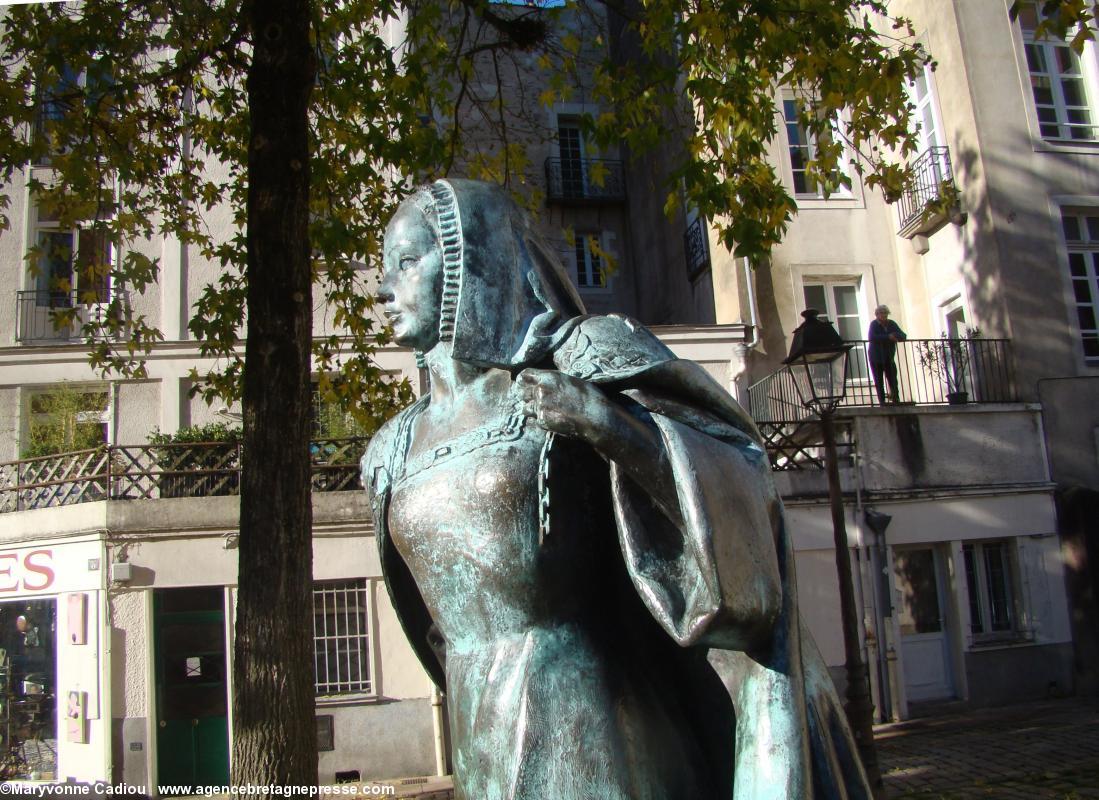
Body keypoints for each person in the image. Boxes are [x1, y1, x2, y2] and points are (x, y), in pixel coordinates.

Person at [362, 179, 872, 800]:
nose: (384, 288)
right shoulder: (391, 450)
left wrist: (608, 425)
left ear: (471, 258)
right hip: (479, 734)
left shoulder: (581, 358)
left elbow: (738, 480)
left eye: (406, 263)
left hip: (588, 724)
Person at [868, 304, 907, 405]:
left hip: (888, 357)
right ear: (877, 315)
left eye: (885, 313)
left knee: (893, 379)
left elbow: (903, 336)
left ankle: (896, 399)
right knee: (879, 381)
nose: (884, 315)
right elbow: (872, 337)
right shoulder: (874, 324)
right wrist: (888, 337)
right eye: (881, 313)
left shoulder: (891, 324)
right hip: (876, 358)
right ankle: (882, 402)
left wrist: (894, 335)